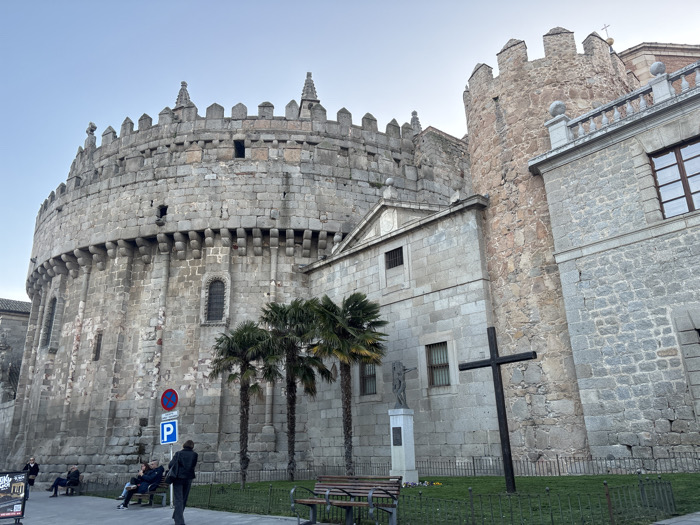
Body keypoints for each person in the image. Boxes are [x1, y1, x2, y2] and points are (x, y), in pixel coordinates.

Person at [169, 440, 198, 525]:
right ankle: (177, 516)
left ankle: (179, 521)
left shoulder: (179, 453)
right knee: (184, 498)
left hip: (178, 478)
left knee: (178, 499)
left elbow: (171, 465)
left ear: (184, 445)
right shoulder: (195, 455)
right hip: (188, 478)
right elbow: (193, 466)